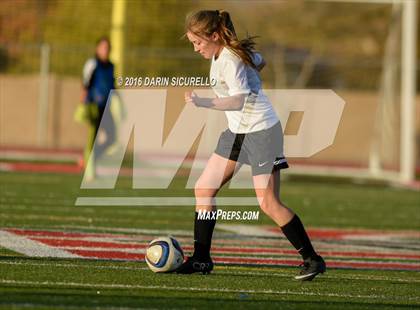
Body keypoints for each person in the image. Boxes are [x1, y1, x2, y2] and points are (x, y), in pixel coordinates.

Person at [176, 10, 326, 281]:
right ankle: (201, 259)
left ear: (213, 35)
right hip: (237, 132)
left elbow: (238, 101)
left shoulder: (230, 60)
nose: (195, 48)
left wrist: (204, 102)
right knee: (204, 188)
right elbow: (260, 60)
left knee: (268, 202)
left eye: (198, 42)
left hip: (261, 133)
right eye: (192, 43)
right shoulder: (224, 54)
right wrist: (251, 70)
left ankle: (312, 259)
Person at [80, 36, 116, 178]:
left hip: (106, 107)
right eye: (103, 47)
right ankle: (90, 171)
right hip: (94, 105)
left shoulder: (111, 66)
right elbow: (85, 84)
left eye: (108, 48)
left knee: (112, 137)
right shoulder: (92, 64)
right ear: (97, 49)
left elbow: (113, 85)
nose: (105, 50)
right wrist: (83, 104)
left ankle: (89, 159)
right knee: (92, 138)